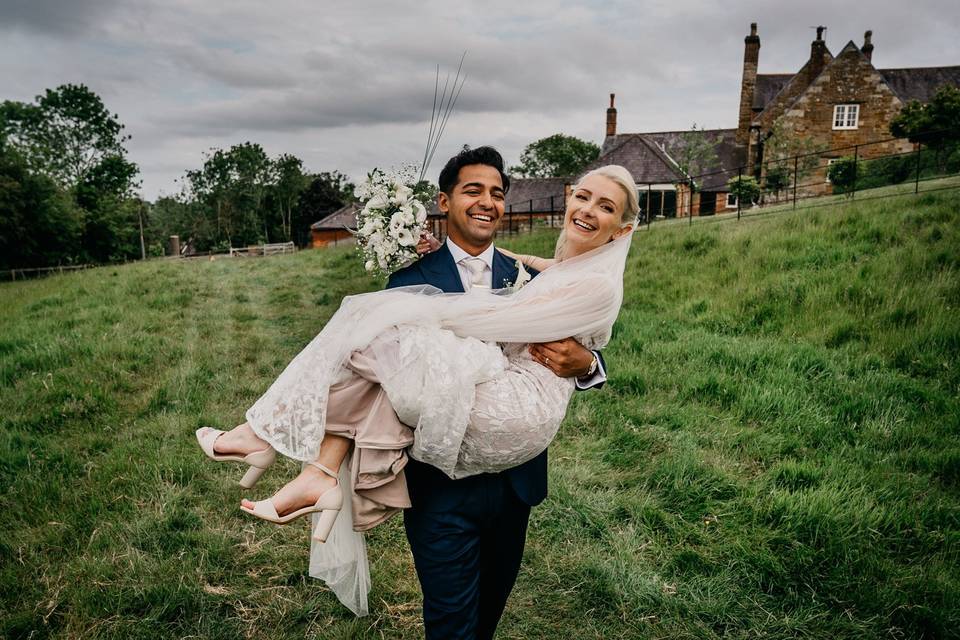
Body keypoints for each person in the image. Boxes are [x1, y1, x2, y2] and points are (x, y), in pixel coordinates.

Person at [196, 148, 637, 638]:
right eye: (473, 191)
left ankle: (287, 453)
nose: (487, 202)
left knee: (488, 614)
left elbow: (575, 334)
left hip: (514, 482)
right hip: (440, 487)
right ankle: (297, 459)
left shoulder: (536, 279)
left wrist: (589, 364)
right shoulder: (411, 278)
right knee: (449, 623)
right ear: (443, 203)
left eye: (497, 193)